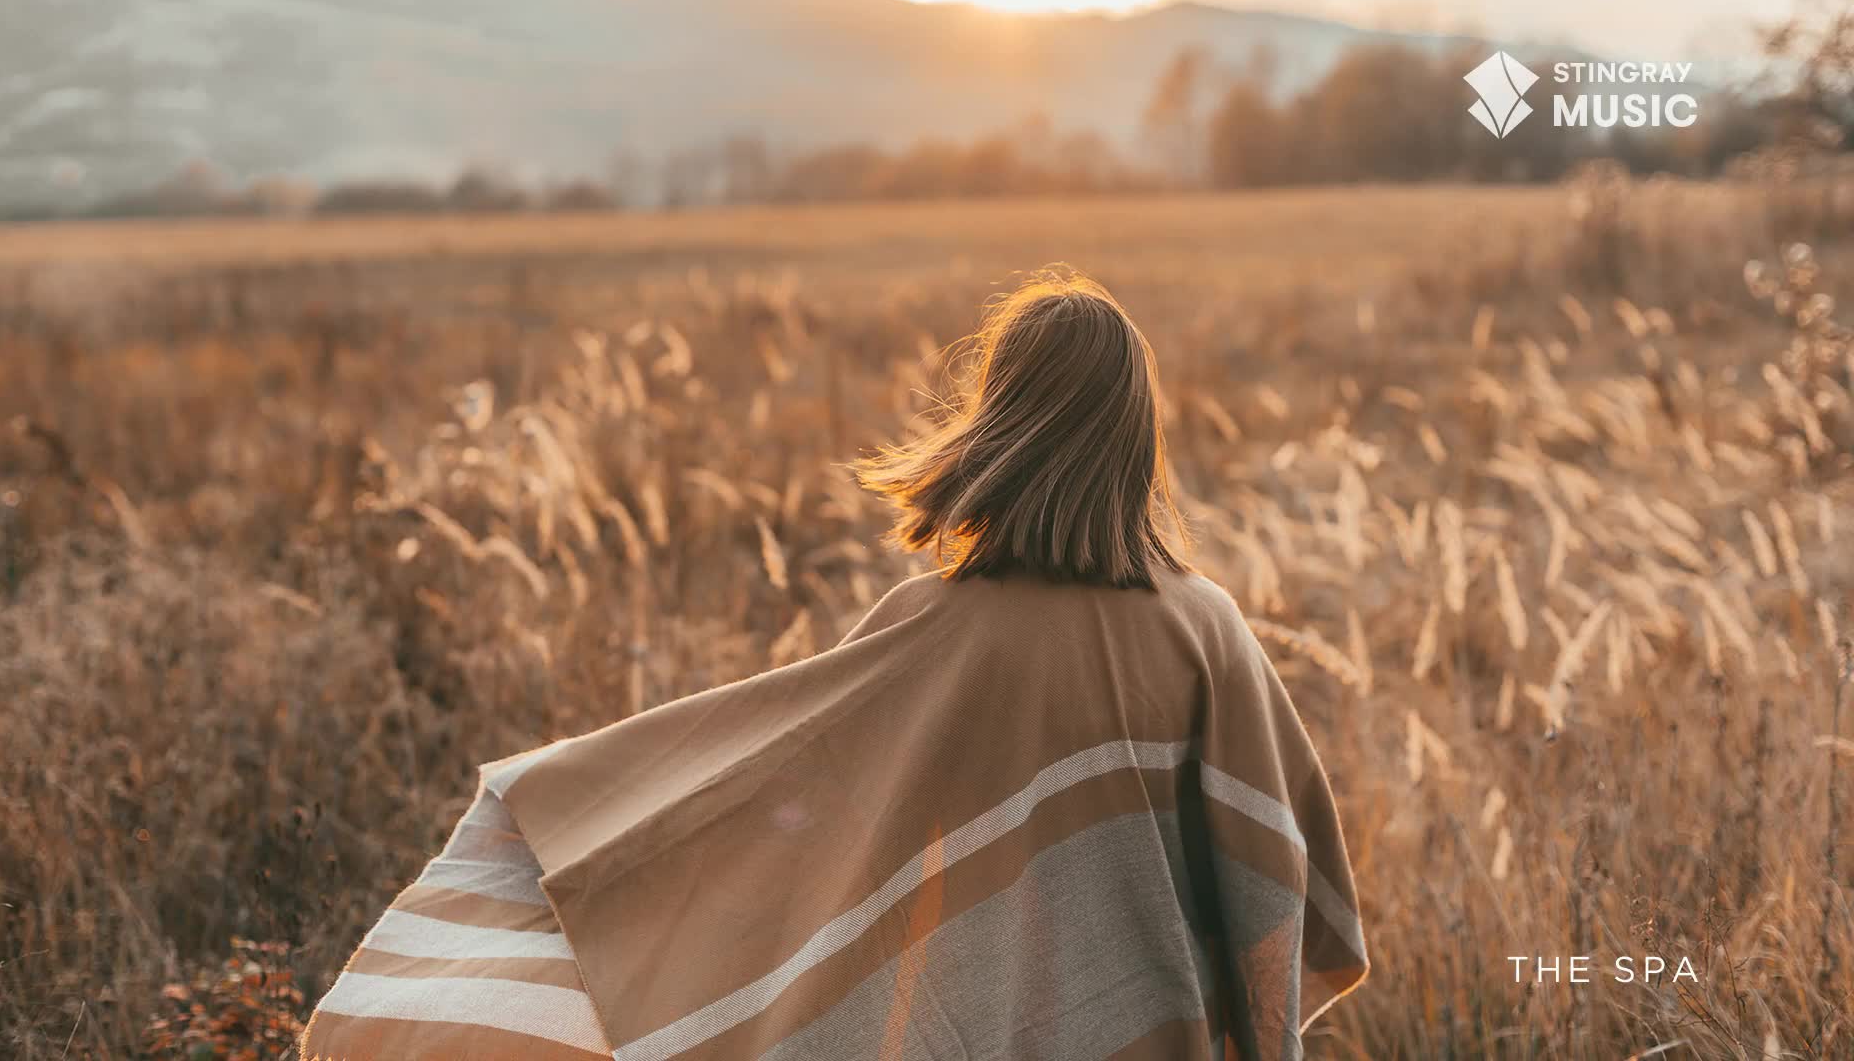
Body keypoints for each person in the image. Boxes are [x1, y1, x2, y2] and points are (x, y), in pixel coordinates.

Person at [302, 267, 1368, 1061]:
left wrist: (579, 809)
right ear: (1135, 434)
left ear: (999, 423)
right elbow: (1269, 872)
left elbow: (811, 824)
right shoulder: (1207, 630)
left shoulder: (928, 624)